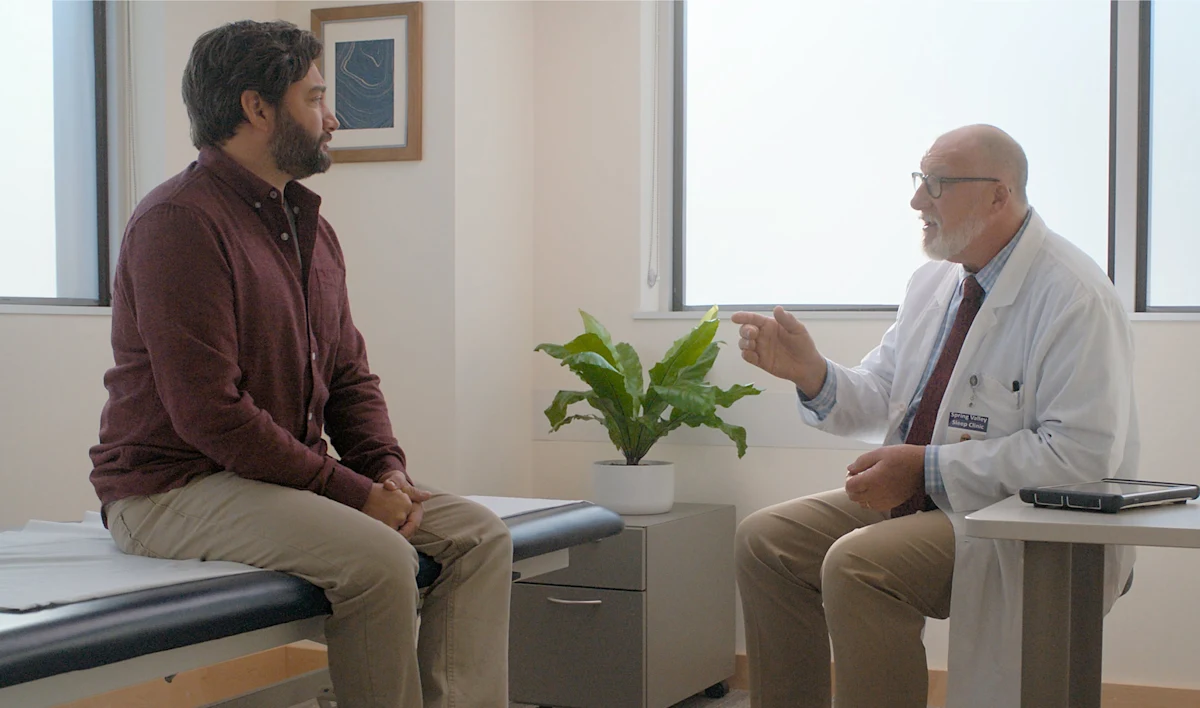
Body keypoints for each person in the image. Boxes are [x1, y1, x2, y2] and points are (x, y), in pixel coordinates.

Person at [89, 20, 512, 708]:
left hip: (271, 480)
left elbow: (348, 375)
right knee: (378, 559)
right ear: (257, 108)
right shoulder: (179, 222)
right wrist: (350, 495)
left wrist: (384, 469)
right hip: (171, 489)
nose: (333, 116)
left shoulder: (309, 230)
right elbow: (211, 413)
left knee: (480, 536)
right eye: (315, 98)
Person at [730, 124, 1138, 708]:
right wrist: (811, 372)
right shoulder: (934, 282)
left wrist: (926, 469)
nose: (918, 200)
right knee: (764, 541)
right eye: (921, 181)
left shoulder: (1075, 296)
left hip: (1017, 518)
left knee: (858, 565)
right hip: (934, 494)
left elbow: (1079, 454)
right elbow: (883, 394)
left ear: (1000, 195)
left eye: (938, 184)